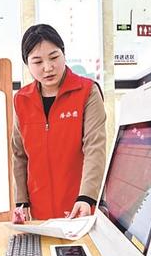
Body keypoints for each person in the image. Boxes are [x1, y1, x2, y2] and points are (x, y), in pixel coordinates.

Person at [12, 24, 107, 221]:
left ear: (63, 54)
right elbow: (19, 155)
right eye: (37, 61)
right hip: (38, 212)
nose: (48, 67)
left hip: (80, 208)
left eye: (54, 57)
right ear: (27, 64)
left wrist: (87, 197)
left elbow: (95, 147)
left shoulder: (87, 91)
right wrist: (21, 201)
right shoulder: (21, 99)